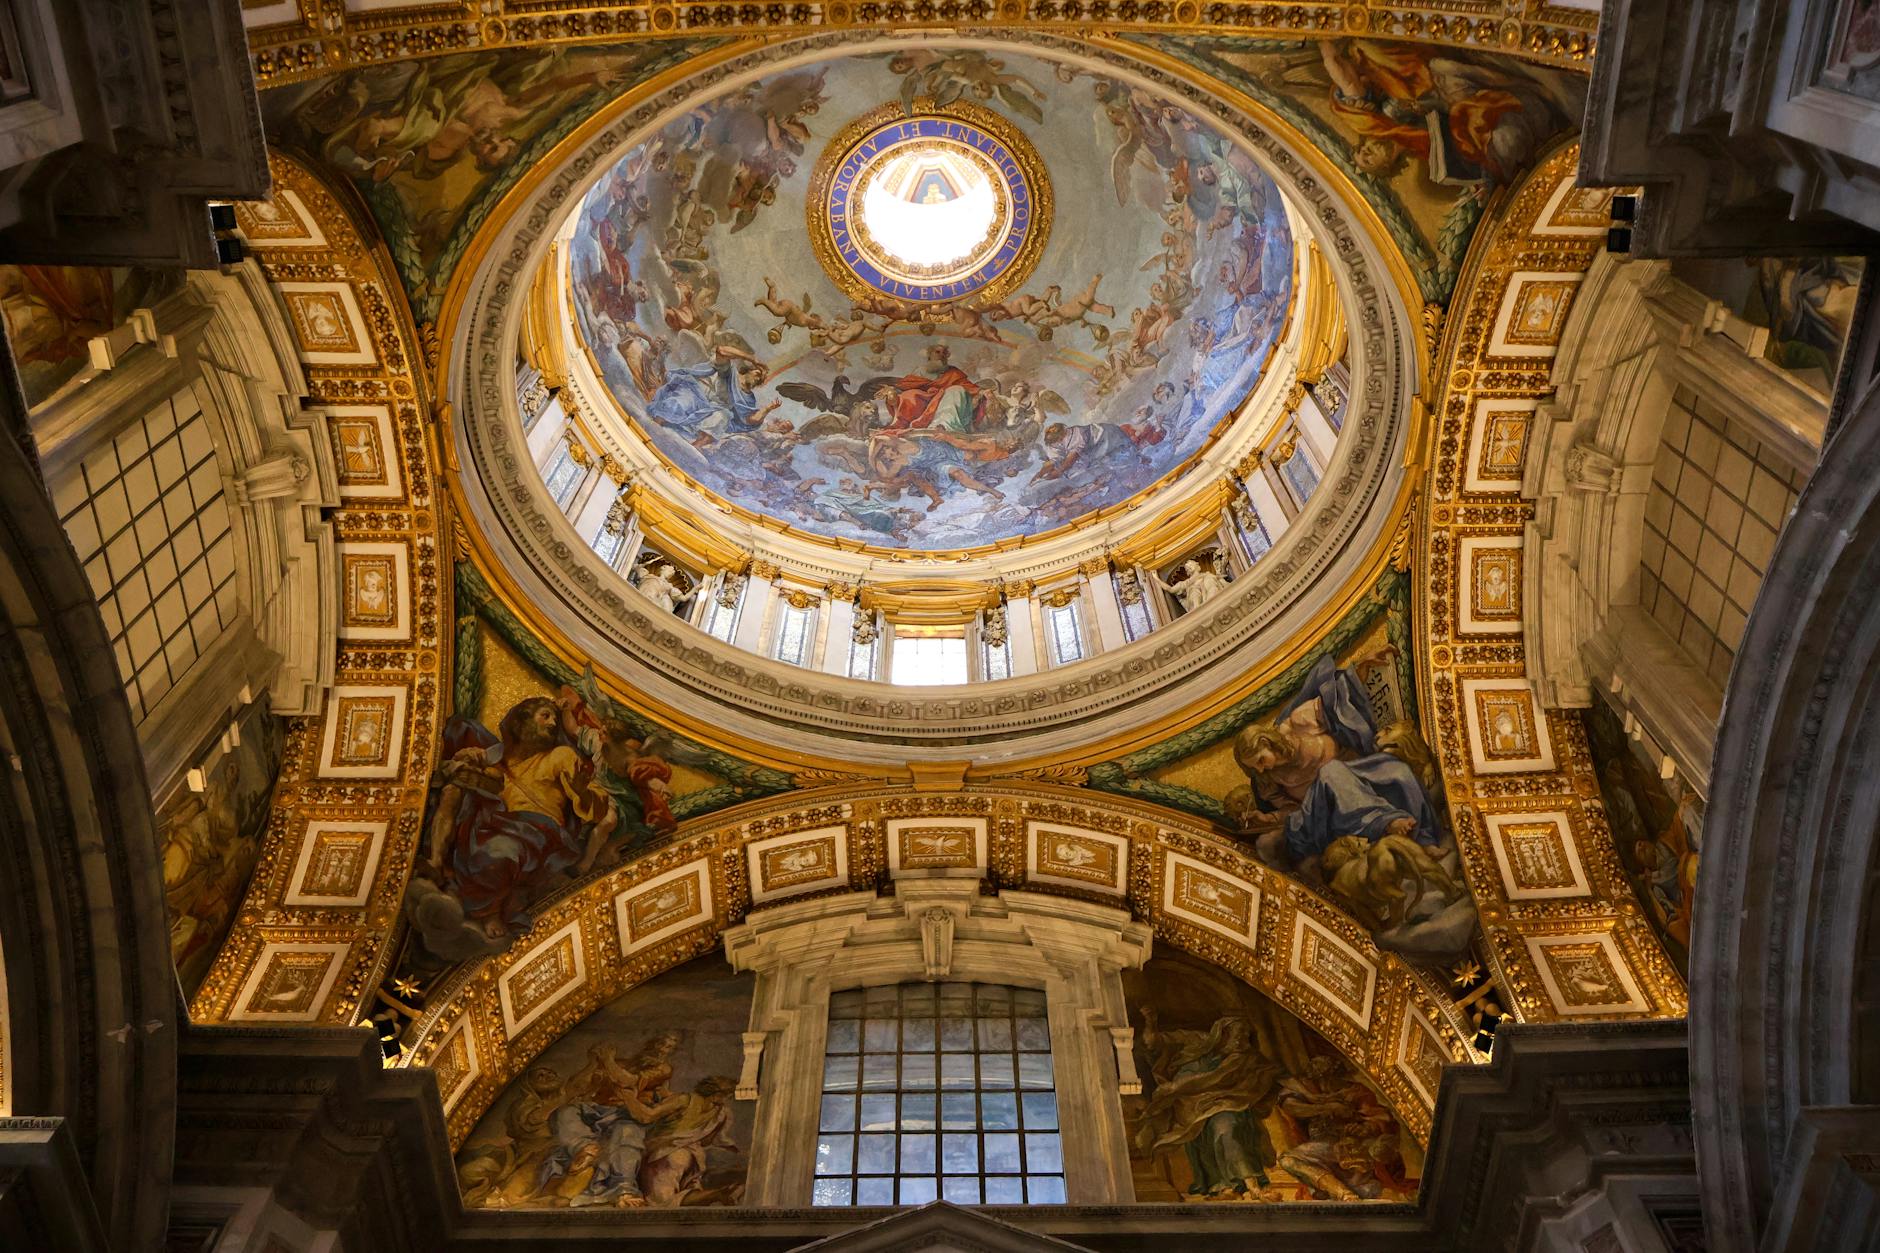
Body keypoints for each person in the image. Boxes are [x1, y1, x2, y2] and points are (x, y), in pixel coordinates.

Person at [1232, 656, 1442, 867]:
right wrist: (1269, 819)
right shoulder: (1270, 781)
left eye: (1260, 760)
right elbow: (1296, 813)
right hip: (1327, 812)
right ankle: (1386, 822)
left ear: (1267, 742)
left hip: (1359, 774)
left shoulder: (1299, 722)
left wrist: (1361, 669)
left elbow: (1340, 700)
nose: (1261, 769)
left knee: (1397, 770)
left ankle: (1426, 839)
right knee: (1330, 772)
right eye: (1255, 768)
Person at [1132, 1011, 1285, 1199]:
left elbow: (1213, 1079)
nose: (1242, 1041)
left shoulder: (1241, 1058)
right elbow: (1153, 1042)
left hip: (1229, 1102)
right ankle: (1223, 1186)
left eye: (1246, 1036)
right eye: (1238, 1034)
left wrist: (1176, 1087)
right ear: (1223, 1033)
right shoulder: (1199, 1041)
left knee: (1226, 1128)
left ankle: (1253, 1186)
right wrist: (1151, 1022)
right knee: (1202, 1134)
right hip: (1191, 1107)